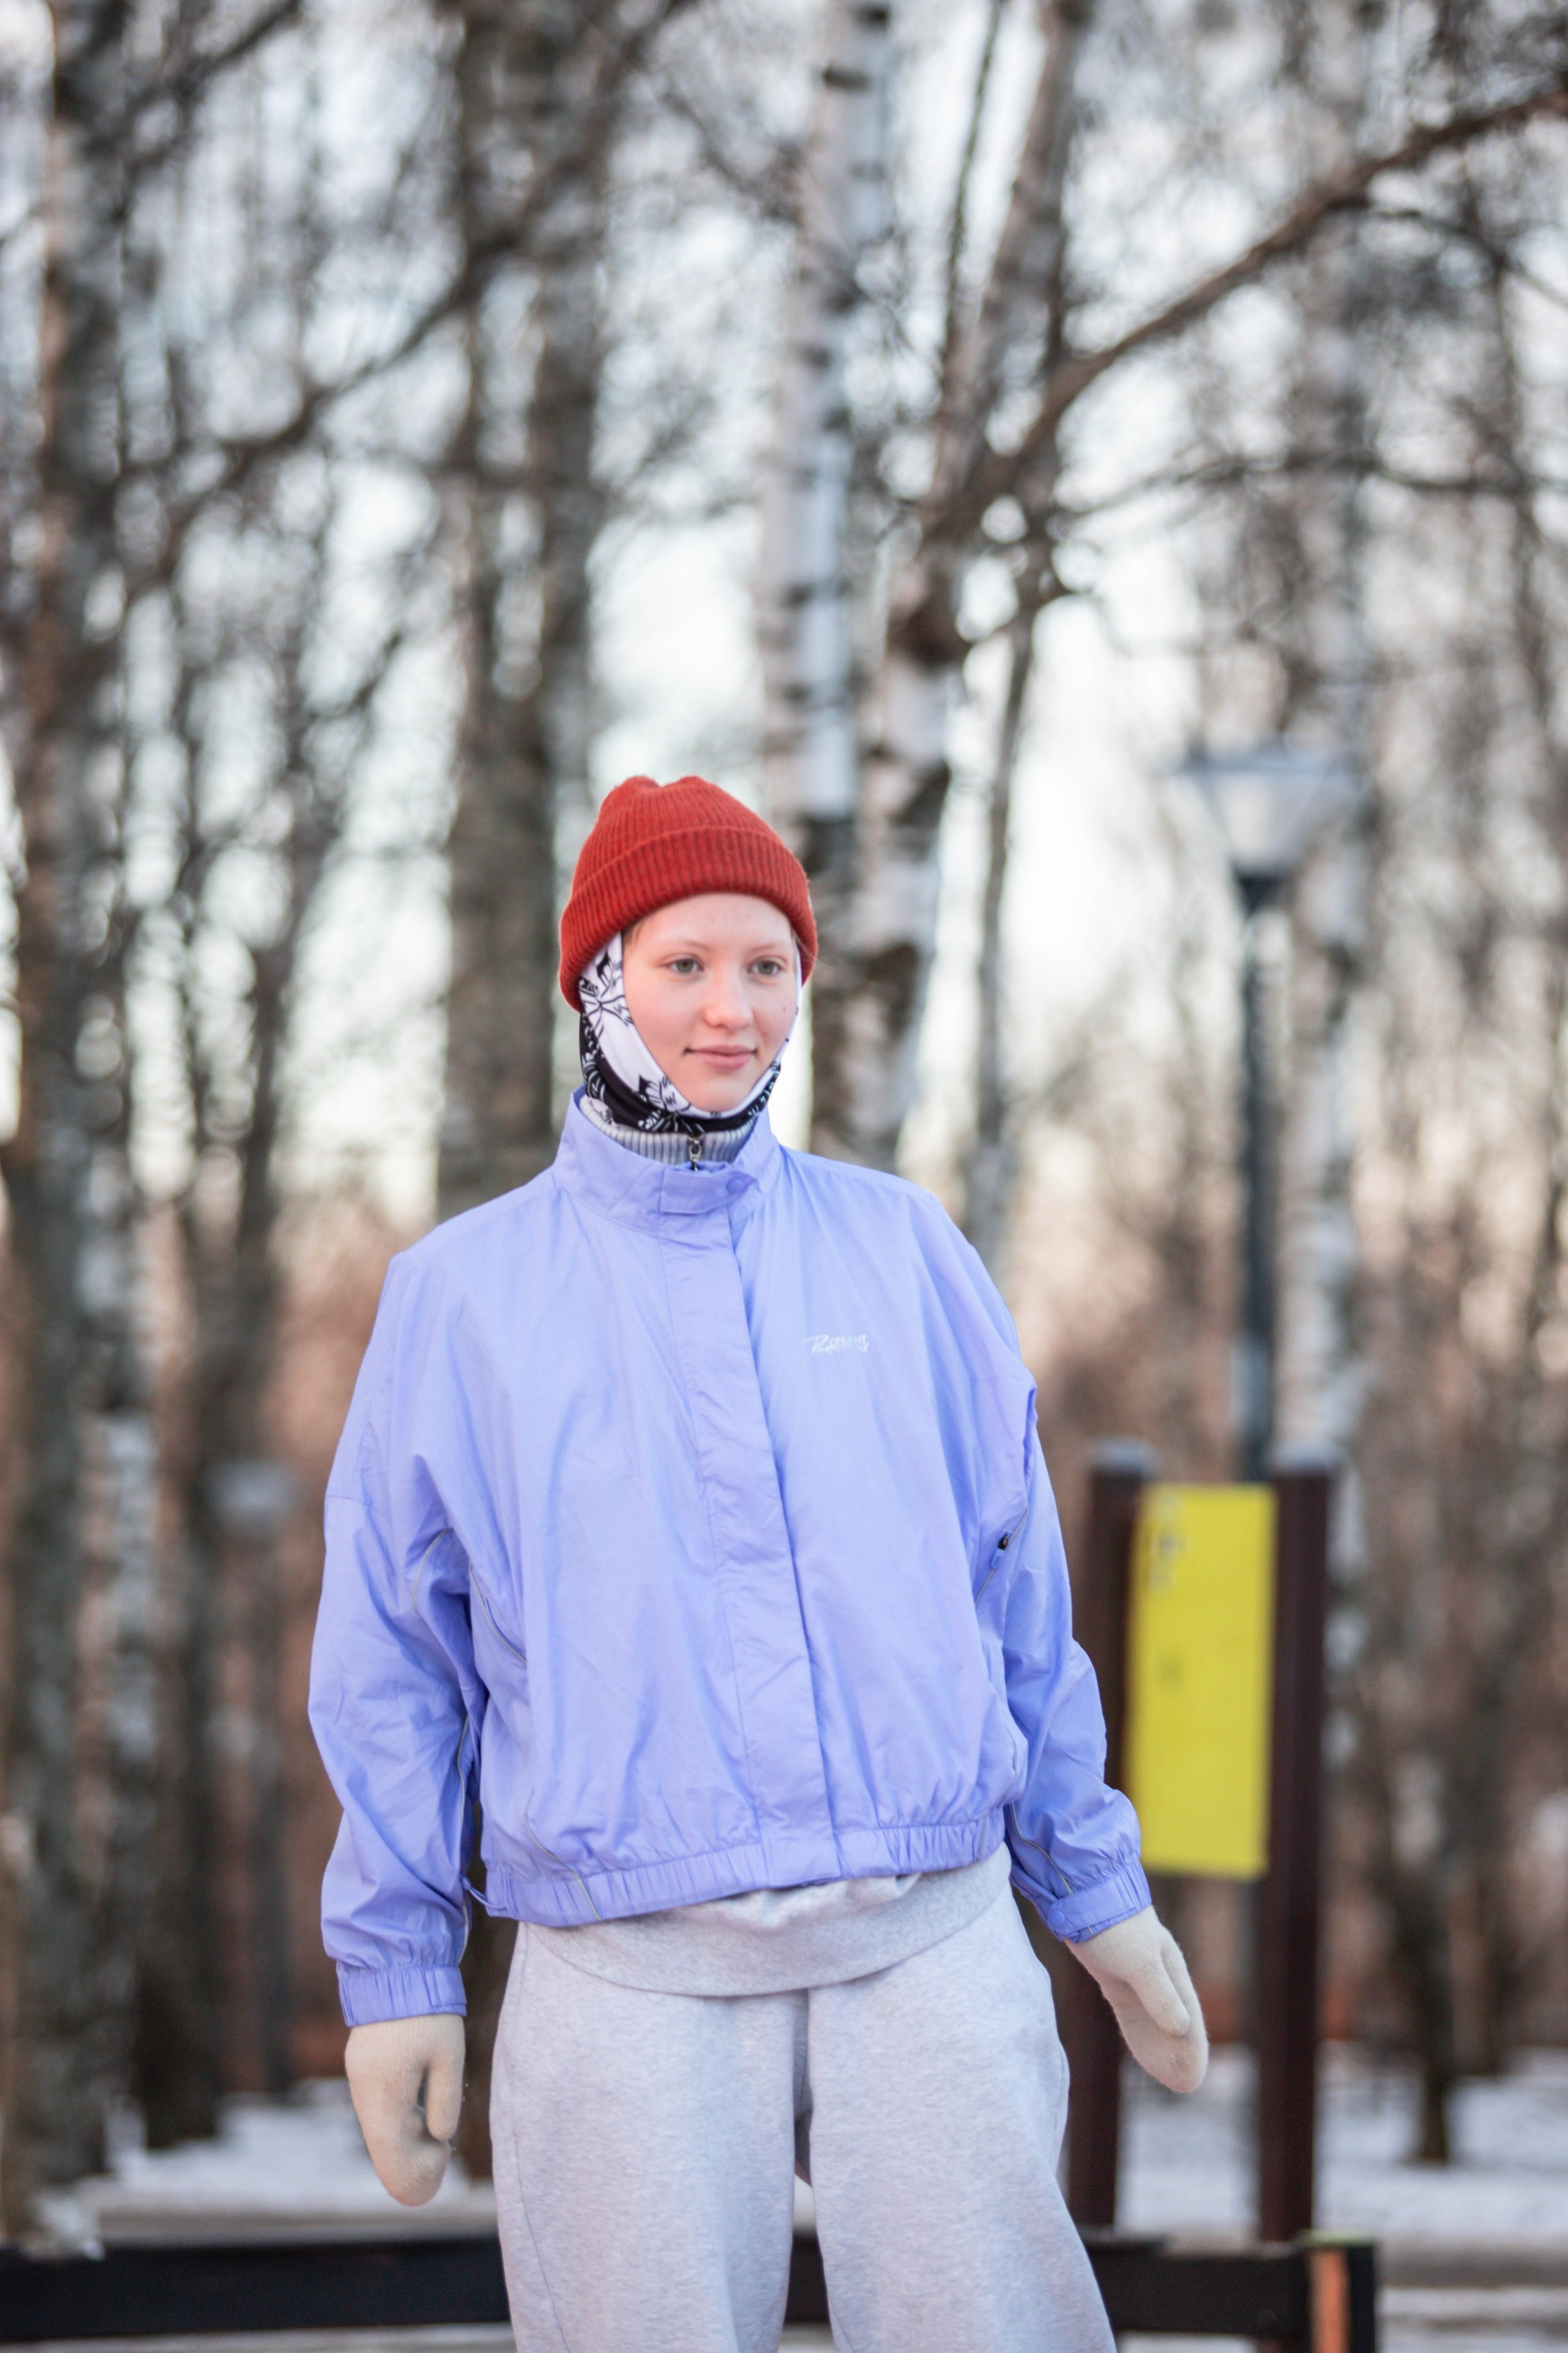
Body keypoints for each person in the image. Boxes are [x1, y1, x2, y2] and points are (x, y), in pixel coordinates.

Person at [310, 774, 1207, 2353]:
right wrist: (399, 1968)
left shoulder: (904, 1247)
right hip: (625, 1978)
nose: (731, 1011)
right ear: (598, 980)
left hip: (926, 1942)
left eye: (767, 966)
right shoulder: (463, 1300)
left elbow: (1015, 1600)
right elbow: (395, 1660)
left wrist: (1094, 1880)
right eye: (683, 965)